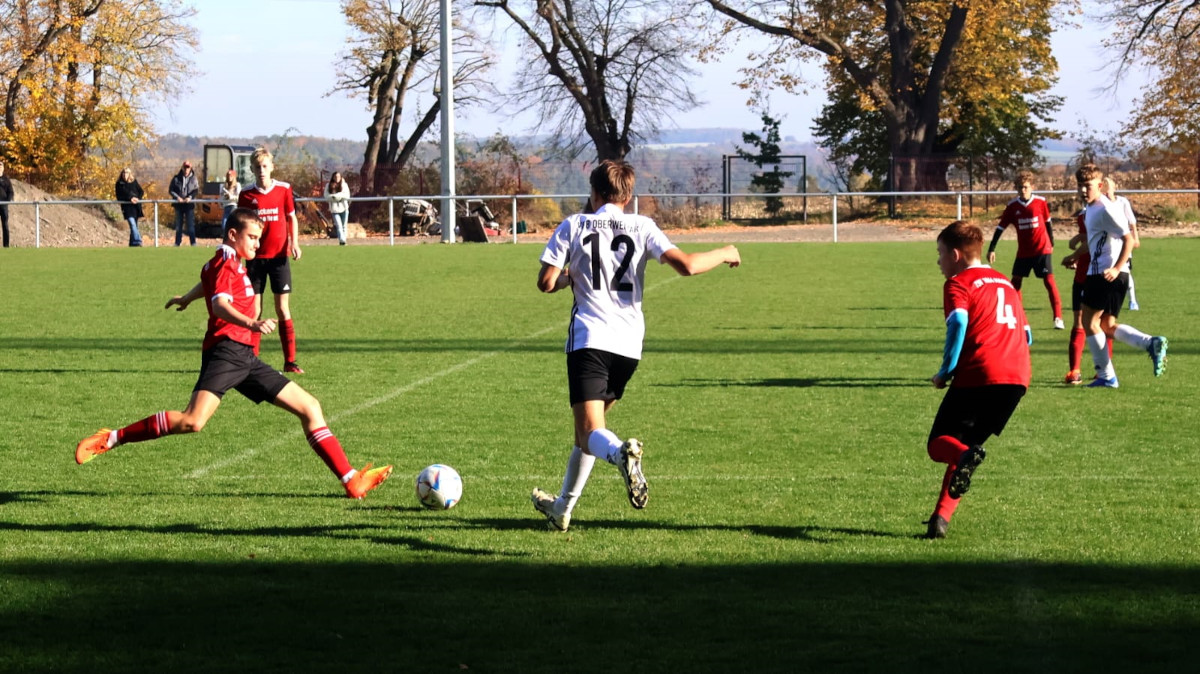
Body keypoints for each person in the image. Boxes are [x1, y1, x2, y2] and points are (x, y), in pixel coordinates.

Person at [74, 208, 392, 500]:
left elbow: (207, 284)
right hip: (226, 353)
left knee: (310, 407)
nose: (257, 244)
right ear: (232, 234)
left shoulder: (225, 262)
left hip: (245, 357)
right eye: (252, 237)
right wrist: (252, 323)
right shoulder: (226, 264)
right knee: (192, 421)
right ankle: (111, 438)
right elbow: (220, 305)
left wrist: (186, 298)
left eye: (259, 238)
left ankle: (351, 480)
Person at [530, 159, 741, 532]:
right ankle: (562, 508)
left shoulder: (574, 225)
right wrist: (725, 251)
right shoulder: (643, 226)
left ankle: (620, 455)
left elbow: (546, 282)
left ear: (594, 193)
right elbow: (687, 266)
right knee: (589, 433)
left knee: (591, 434)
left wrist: (568, 278)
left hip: (590, 341)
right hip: (628, 347)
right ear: (628, 196)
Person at [924, 220, 1031, 540]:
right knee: (965, 449)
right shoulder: (1005, 283)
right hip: (1017, 377)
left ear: (955, 255)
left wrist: (946, 370)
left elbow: (958, 322)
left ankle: (961, 464)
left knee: (939, 445)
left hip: (981, 372)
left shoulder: (958, 283)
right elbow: (1027, 334)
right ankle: (940, 520)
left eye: (940, 253)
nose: (939, 261)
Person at [1074, 164, 1167, 388]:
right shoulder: (1092, 208)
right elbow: (1098, 241)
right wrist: (1075, 256)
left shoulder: (1105, 209)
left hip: (1105, 273)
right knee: (1107, 325)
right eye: (1080, 186)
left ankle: (1106, 376)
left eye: (1088, 186)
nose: (1083, 190)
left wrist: (1116, 268)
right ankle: (1150, 343)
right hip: (1114, 274)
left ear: (1100, 185)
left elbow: (1129, 240)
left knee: (1088, 322)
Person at [238, 147, 304, 373]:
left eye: (265, 166)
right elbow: (242, 226)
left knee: (282, 309)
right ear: (252, 169)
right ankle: (252, 361)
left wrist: (294, 243)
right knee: (254, 311)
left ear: (272, 167)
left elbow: (291, 218)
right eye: (257, 167)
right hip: (255, 259)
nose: (262, 170)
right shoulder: (246, 195)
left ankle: (290, 362)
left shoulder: (284, 189)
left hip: (279, 259)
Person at [987, 170, 1064, 330]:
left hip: (1042, 249)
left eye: (1026, 187)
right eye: (1020, 187)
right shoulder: (1012, 206)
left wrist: (1051, 242)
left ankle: (1058, 318)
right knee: (1015, 282)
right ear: (1016, 188)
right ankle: (1018, 317)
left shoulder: (1041, 202)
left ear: (1032, 187)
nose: (1023, 190)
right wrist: (992, 248)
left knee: (1049, 281)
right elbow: (1000, 228)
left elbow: (1048, 223)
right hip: (1024, 252)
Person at [1100, 177, 1141, 310]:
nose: (1106, 194)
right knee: (1106, 271)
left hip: (1123, 242)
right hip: (1108, 244)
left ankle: (1132, 300)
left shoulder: (1122, 202)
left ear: (1114, 189)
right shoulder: (1101, 204)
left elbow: (1132, 222)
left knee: (1125, 271)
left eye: (1108, 191)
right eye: (1103, 191)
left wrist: (1136, 238)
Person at [170, 161, 199, 246]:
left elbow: (196, 190)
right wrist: (177, 197)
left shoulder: (194, 178)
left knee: (190, 226)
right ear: (182, 168)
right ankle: (177, 243)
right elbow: (171, 190)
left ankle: (193, 243)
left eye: (188, 167)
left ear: (190, 168)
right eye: (185, 167)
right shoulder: (176, 178)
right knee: (178, 226)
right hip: (179, 205)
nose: (186, 169)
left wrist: (190, 197)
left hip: (189, 205)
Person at [115, 167, 145, 247]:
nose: (125, 174)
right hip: (127, 208)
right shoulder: (119, 184)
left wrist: (137, 198)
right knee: (132, 224)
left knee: (134, 225)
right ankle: (138, 241)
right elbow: (119, 196)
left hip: (136, 207)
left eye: (127, 172)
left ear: (130, 174)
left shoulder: (134, 182)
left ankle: (132, 244)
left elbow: (141, 191)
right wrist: (130, 198)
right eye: (124, 172)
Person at [324, 171, 351, 245]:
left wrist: (337, 196)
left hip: (344, 209)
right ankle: (342, 240)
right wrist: (333, 197)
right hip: (334, 210)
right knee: (339, 225)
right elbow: (326, 196)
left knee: (344, 225)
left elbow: (347, 195)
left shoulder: (344, 185)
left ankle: (343, 241)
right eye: (335, 177)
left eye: (338, 177)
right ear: (333, 177)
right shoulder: (328, 185)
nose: (337, 178)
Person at [220, 169, 241, 234]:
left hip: (234, 207)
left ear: (234, 177)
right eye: (228, 176)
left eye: (231, 175)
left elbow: (239, 197)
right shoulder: (224, 186)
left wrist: (230, 197)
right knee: (224, 225)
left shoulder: (237, 185)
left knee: (233, 225)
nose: (229, 177)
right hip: (226, 207)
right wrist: (224, 198)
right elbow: (221, 197)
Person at [0, 161, 12, 248]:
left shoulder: (6, 179)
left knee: (5, 225)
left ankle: (6, 245)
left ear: (3, 168)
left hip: (3, 206)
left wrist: (7, 201)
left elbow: (10, 192)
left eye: (1, 166)